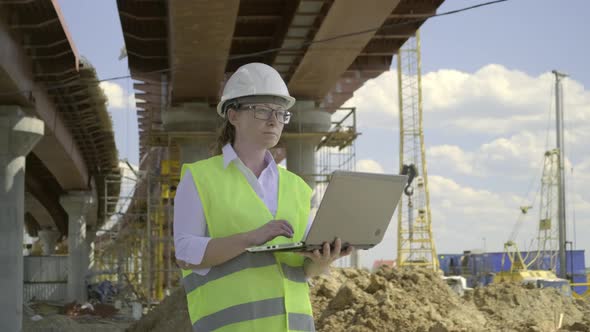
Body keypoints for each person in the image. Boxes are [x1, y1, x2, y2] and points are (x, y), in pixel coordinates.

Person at [173, 62, 352, 332]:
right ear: (233, 115)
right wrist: (250, 238)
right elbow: (185, 254)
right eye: (262, 110)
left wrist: (321, 261)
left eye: (280, 113)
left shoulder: (297, 187)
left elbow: (301, 271)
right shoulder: (200, 178)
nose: (274, 120)